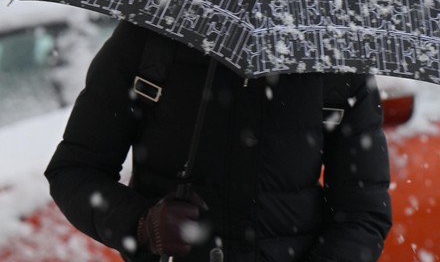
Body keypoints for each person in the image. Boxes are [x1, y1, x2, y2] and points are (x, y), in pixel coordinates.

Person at [45, 21, 392, 262]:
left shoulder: (337, 62)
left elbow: (363, 215)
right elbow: (74, 171)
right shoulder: (149, 41)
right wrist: (142, 225)